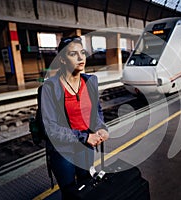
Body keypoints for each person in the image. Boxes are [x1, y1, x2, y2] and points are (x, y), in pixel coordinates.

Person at [40, 36, 109, 199]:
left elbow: (96, 112)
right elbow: (50, 128)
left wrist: (101, 127)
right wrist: (85, 137)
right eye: (73, 54)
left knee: (87, 185)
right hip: (63, 152)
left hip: (86, 147)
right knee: (70, 192)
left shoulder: (90, 82)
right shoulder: (50, 88)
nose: (80, 58)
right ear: (63, 60)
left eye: (82, 52)